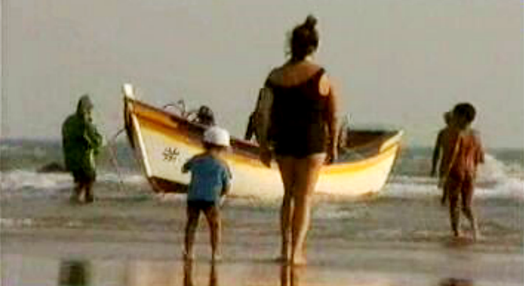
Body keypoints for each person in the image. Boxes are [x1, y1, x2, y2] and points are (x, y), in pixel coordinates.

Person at [259, 15, 339, 265]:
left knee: (288, 195)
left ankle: (284, 248)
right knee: (304, 197)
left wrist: (263, 145)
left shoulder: (275, 76)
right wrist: (333, 145)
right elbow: (332, 116)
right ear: (314, 46)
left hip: (284, 141)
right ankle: (297, 252)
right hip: (312, 142)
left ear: (290, 44)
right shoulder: (321, 76)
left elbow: (263, 113)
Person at [182, 126, 232, 261]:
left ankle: (189, 252)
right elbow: (227, 184)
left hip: (193, 197)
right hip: (211, 199)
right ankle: (215, 253)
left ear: (204, 144)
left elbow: (184, 169)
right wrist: (223, 194)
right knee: (215, 226)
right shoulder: (222, 164)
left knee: (191, 224)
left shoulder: (196, 159)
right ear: (223, 147)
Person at [439, 103, 484, 240]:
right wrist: (475, 172)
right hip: (470, 173)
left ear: (463, 117)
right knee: (467, 205)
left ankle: (457, 232)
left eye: (456, 114)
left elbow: (453, 154)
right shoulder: (476, 135)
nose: (454, 117)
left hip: (456, 171)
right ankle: (475, 230)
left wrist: (444, 176)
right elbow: (480, 157)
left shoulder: (458, 133)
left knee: (454, 204)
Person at [62, 94, 103, 204]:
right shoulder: (85, 123)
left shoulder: (69, 121)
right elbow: (95, 139)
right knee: (89, 184)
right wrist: (97, 146)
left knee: (80, 184)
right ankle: (88, 207)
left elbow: (66, 140)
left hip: (71, 161)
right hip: (84, 161)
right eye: (89, 109)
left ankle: (74, 205)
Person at [430, 111, 454, 205]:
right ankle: (444, 209)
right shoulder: (442, 133)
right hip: (445, 163)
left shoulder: (460, 133)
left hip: (455, 163)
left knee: (452, 190)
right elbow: (436, 151)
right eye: (447, 120)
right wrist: (434, 167)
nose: (448, 121)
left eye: (449, 119)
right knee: (445, 190)